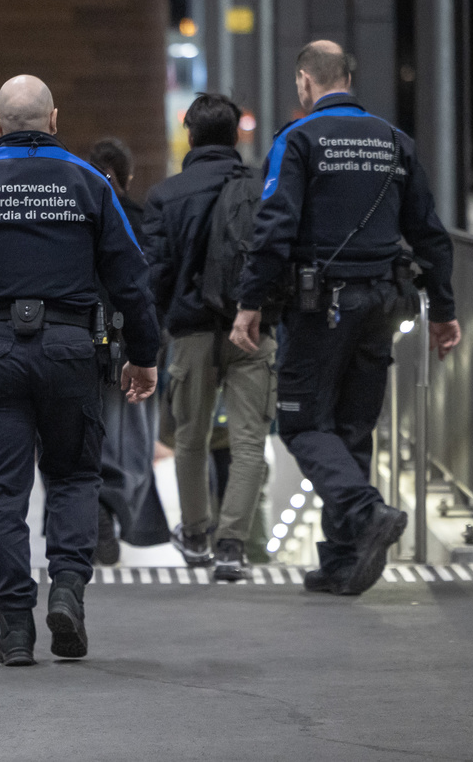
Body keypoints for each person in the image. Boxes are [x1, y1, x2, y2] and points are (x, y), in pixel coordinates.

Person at [0, 75, 159, 666]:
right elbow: (132, 279)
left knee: (2, 492)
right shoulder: (91, 183)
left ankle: (15, 628)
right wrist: (143, 355)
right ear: (53, 119)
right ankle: (67, 590)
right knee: (71, 477)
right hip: (73, 351)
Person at [230, 40, 461, 595]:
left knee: (303, 423)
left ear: (306, 80)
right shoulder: (394, 142)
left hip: (319, 307)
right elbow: (430, 233)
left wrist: (251, 303)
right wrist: (444, 311)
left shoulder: (298, 140)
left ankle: (364, 512)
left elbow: (274, 229)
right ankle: (340, 562)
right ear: (348, 79)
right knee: (354, 430)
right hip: (383, 301)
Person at [142, 93, 277, 581]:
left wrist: (153, 334)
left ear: (191, 136)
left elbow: (154, 275)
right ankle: (233, 547)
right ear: (237, 136)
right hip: (252, 329)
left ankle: (195, 534)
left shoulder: (166, 195)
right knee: (248, 441)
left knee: (191, 438)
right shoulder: (262, 191)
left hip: (192, 330)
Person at [86, 138, 171, 565]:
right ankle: (116, 510)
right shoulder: (140, 219)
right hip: (132, 341)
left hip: (83, 341)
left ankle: (97, 510)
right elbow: (149, 287)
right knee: (135, 436)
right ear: (129, 176)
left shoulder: (78, 220)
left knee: (87, 429)